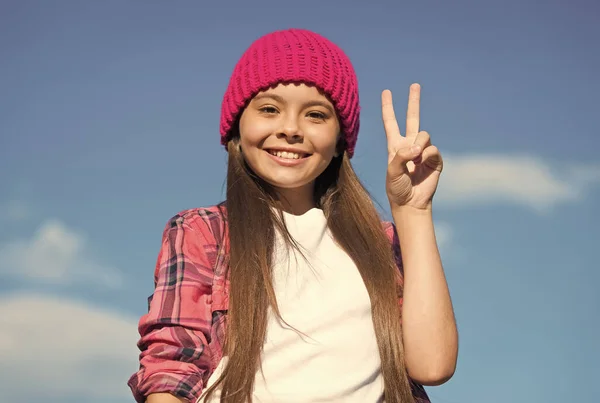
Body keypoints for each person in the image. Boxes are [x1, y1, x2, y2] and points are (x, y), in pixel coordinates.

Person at [128, 28, 458, 403]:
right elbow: (170, 370)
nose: (290, 129)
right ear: (238, 123)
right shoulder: (202, 232)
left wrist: (413, 211)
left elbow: (432, 366)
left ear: (339, 143)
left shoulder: (380, 245)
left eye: (316, 115)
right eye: (269, 109)